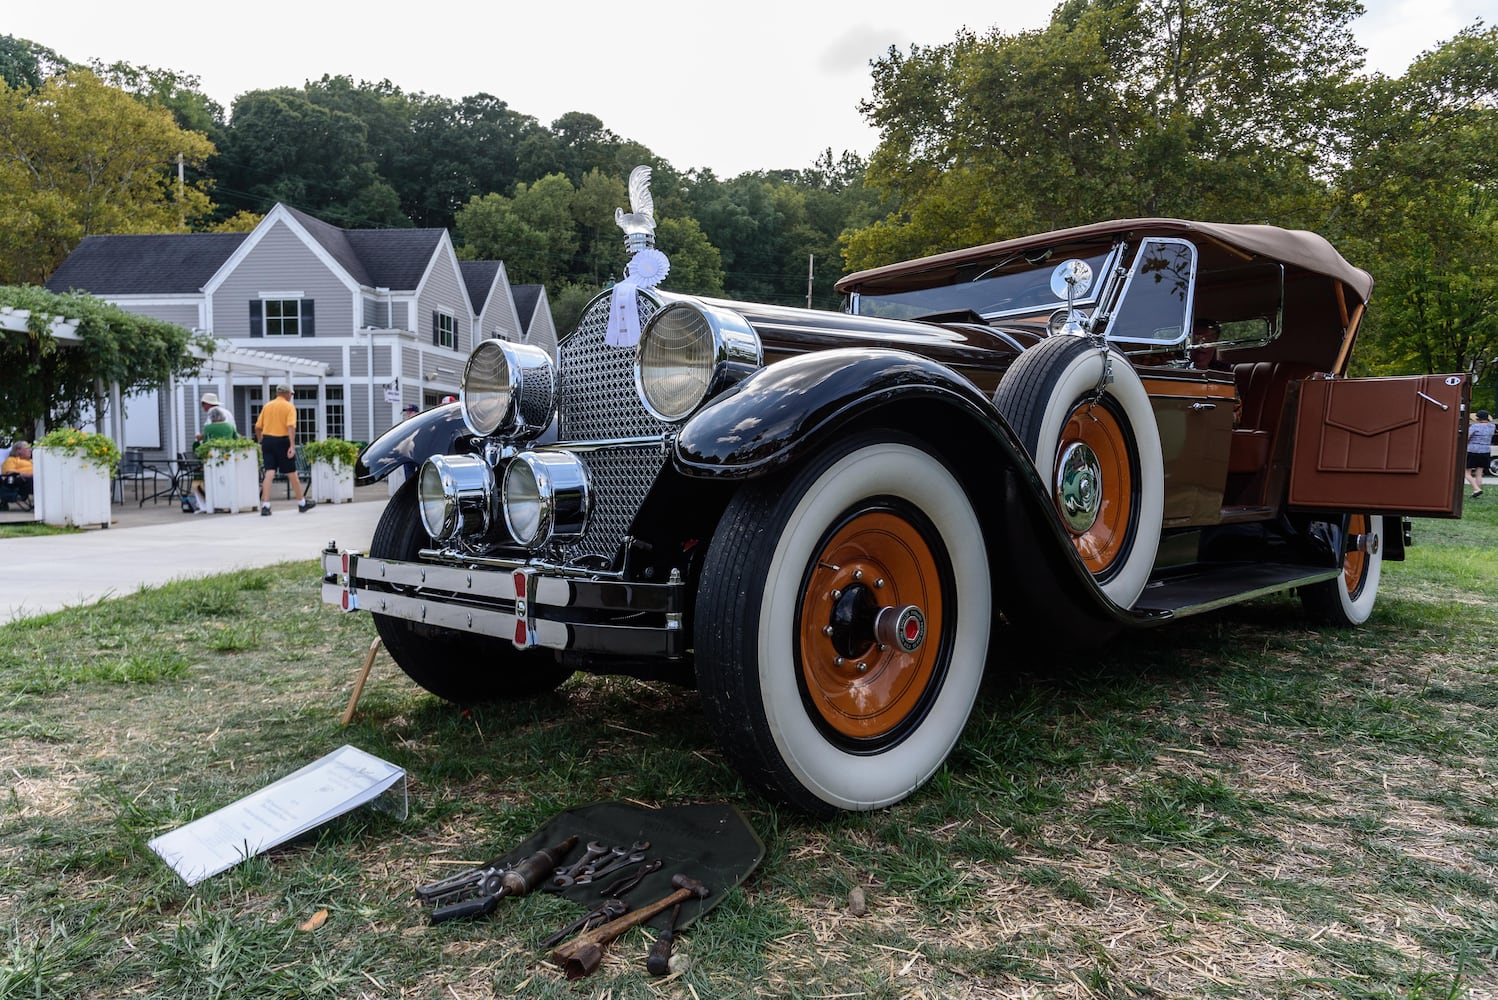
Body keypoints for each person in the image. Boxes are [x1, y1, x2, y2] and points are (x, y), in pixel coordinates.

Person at [253, 383, 314, 515]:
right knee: (291, 472)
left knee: (269, 472)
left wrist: (261, 440)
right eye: (291, 394)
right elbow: (291, 426)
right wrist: (292, 445)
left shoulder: (267, 406)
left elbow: (258, 427)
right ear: (286, 393)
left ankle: (266, 505)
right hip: (282, 441)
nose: (291, 396)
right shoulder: (289, 407)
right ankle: (301, 503)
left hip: (267, 440)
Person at [1466, 409, 1493, 499]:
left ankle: (1476, 489)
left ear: (1478, 418)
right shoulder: (1492, 427)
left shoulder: (1474, 427)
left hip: (1473, 451)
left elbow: (1467, 438)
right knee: (1479, 473)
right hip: (1485, 451)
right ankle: (1476, 491)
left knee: (1466, 472)